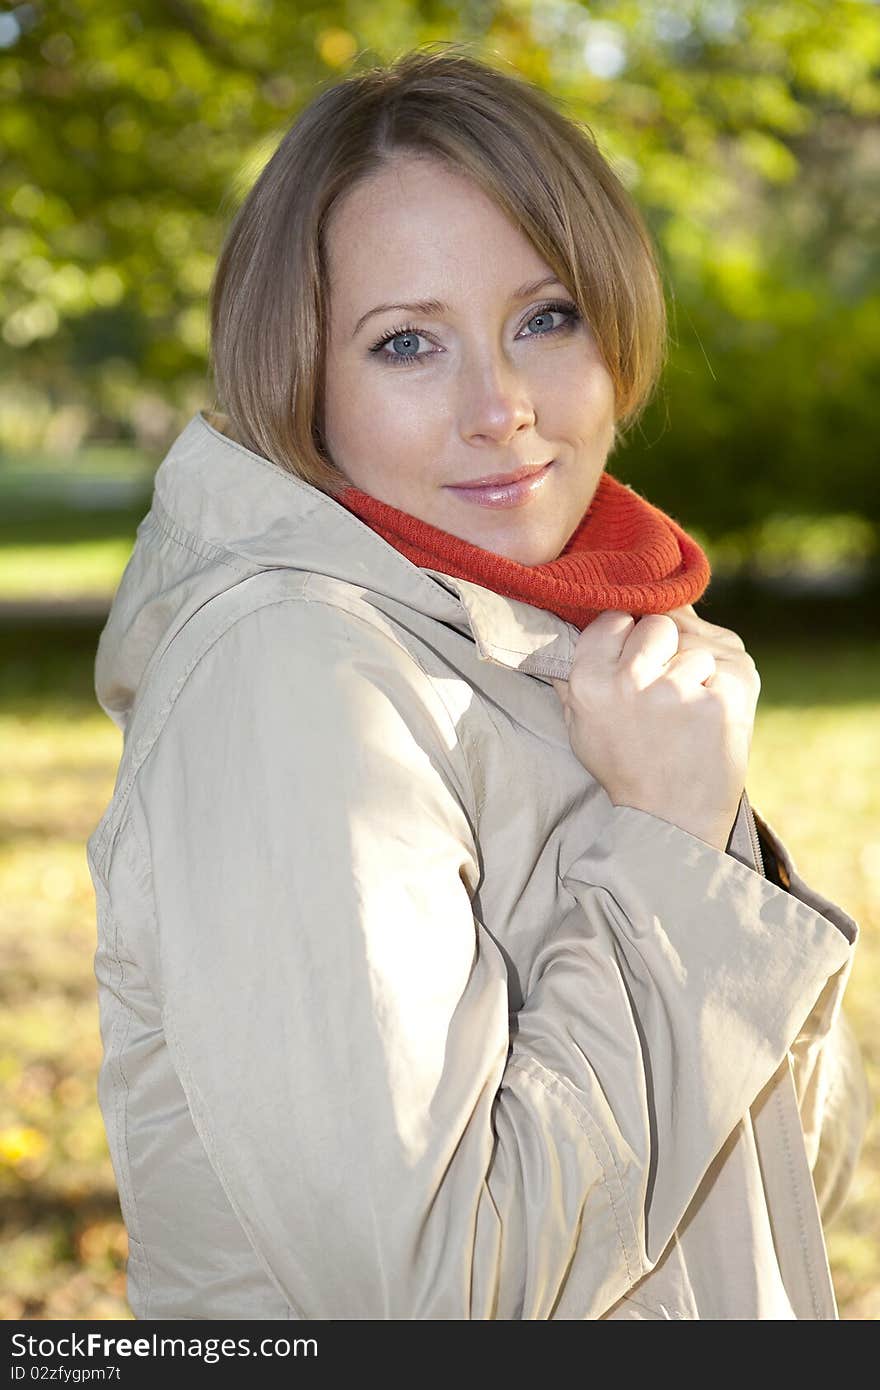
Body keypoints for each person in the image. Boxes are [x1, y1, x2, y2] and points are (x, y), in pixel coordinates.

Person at [87, 47, 870, 1320]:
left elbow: (791, 1182)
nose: (498, 405)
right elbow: (438, 1294)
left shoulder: (567, 643)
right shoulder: (296, 675)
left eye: (544, 319)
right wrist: (674, 850)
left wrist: (711, 840)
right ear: (304, 381)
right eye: (407, 344)